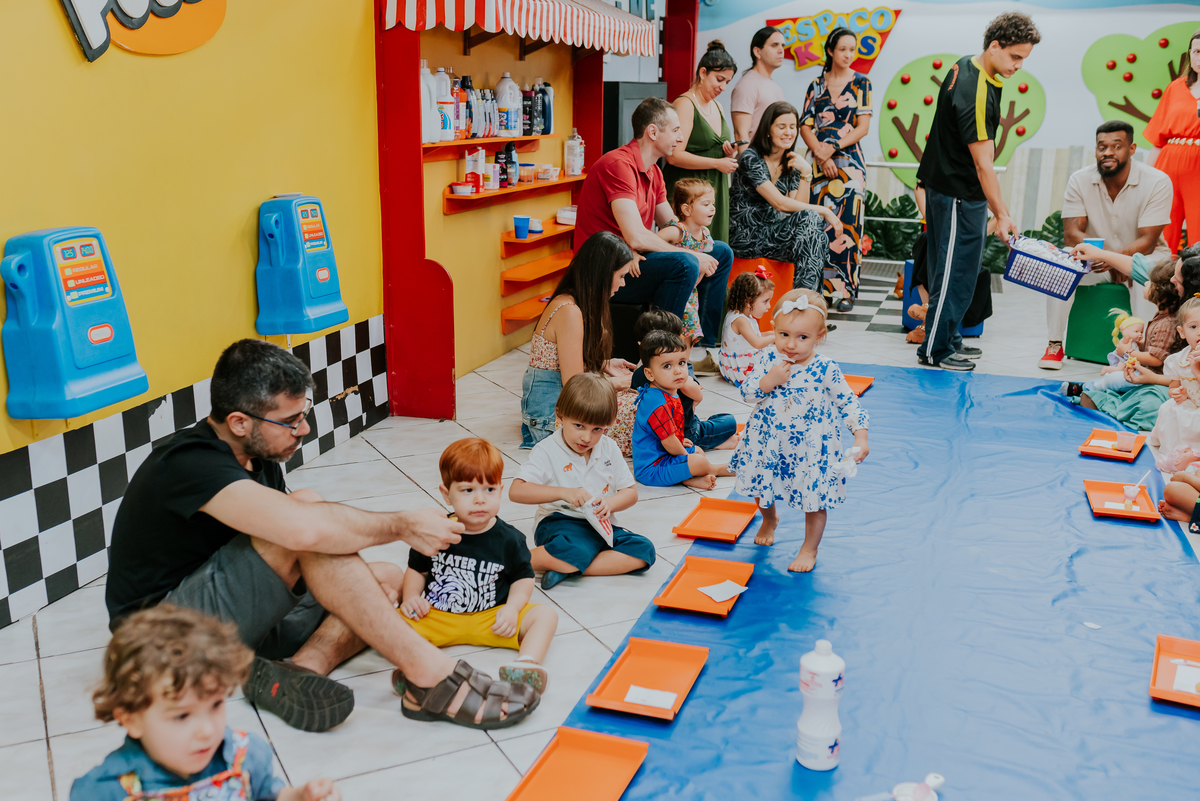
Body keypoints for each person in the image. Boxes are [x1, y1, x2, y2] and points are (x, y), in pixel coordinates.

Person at [105, 339, 538, 734]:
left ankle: (300, 668)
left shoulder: (259, 456)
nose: (304, 429)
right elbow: (301, 531)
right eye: (290, 421)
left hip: (234, 622)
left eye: (304, 415)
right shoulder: (187, 463)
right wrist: (402, 524)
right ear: (238, 422)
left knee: (385, 577)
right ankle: (431, 675)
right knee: (305, 519)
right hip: (159, 642)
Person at [71, 605, 340, 801]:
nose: (207, 730)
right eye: (181, 716)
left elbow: (269, 795)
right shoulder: (105, 791)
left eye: (215, 705)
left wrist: (300, 797)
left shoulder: (244, 758)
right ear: (131, 718)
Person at [916, 12, 1040, 372]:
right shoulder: (976, 92)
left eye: (1024, 59)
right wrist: (1002, 214)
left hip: (947, 186)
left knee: (951, 268)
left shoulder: (965, 65)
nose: (1019, 66)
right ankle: (935, 350)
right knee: (955, 273)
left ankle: (950, 339)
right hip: (957, 193)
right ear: (995, 46)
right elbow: (984, 164)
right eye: (1015, 57)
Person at [574, 98, 733, 365]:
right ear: (653, 132)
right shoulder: (618, 164)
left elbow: (674, 225)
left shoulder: (654, 172)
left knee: (721, 251)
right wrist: (691, 255)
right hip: (605, 271)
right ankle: (657, 356)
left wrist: (694, 243)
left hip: (633, 259)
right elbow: (635, 236)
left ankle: (702, 347)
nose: (681, 137)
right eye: (675, 131)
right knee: (684, 264)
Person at [399, 439, 558, 695]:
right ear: (445, 493)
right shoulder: (434, 531)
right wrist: (410, 598)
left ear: (500, 490)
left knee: (546, 616)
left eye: (489, 490)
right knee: (391, 621)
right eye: (468, 491)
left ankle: (527, 665)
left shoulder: (509, 539)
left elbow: (523, 579)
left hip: (492, 618)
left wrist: (512, 609)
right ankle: (413, 667)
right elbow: (418, 569)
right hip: (439, 616)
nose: (480, 500)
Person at [729, 289, 869, 573]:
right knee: (760, 483)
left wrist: (860, 435)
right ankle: (769, 518)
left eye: (802, 337)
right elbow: (747, 391)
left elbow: (848, 402)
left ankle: (809, 548)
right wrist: (769, 380)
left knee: (815, 499)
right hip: (768, 443)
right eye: (784, 335)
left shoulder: (825, 368)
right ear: (773, 330)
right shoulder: (768, 359)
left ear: (819, 337)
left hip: (811, 449)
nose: (791, 344)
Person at [1038, 120, 1173, 370]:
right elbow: (1071, 234)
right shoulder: (1080, 179)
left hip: (1143, 258)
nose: (1108, 152)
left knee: (1148, 276)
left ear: (1131, 149)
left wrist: (1116, 259)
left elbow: (1148, 239)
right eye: (1102, 147)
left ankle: (1141, 352)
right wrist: (1105, 258)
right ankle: (1054, 344)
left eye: (1117, 146)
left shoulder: (1157, 181)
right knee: (1063, 264)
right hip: (1096, 261)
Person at [509, 373, 656, 591]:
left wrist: (611, 504)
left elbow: (630, 493)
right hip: (560, 523)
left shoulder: (609, 448)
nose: (587, 437)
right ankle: (513, 563)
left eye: (597, 429)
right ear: (560, 415)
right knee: (573, 546)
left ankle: (569, 567)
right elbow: (516, 491)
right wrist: (563, 493)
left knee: (644, 551)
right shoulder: (547, 450)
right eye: (579, 426)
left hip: (600, 526)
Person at [520, 231, 636, 448]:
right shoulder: (569, 311)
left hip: (565, 412)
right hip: (551, 420)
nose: (622, 284)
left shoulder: (576, 303)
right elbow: (575, 386)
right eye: (621, 276)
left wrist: (604, 364)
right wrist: (621, 382)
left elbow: (562, 363)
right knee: (647, 414)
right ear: (602, 274)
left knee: (654, 406)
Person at [729, 101, 842, 296]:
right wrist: (823, 210)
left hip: (773, 235)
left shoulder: (791, 161)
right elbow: (780, 204)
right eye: (781, 127)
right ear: (768, 129)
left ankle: (801, 305)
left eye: (792, 127)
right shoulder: (750, 158)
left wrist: (806, 173)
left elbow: (800, 206)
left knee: (816, 237)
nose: (788, 132)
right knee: (815, 232)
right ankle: (805, 307)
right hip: (747, 237)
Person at [800, 27, 873, 311]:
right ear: (830, 51)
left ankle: (846, 291)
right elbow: (805, 125)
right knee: (818, 225)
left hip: (850, 165)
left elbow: (862, 128)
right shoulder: (815, 85)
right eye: (842, 49)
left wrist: (833, 147)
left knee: (848, 226)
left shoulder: (862, 83)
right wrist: (820, 153)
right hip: (817, 165)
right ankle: (819, 290)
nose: (848, 55)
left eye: (852, 50)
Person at [1062, 262, 1179, 408]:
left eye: (1152, 283)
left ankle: (1085, 389)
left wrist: (1129, 352)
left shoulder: (1166, 324)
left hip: (1150, 375)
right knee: (1114, 374)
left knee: (1113, 379)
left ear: (1163, 296)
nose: (1147, 283)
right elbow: (1155, 347)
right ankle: (1092, 390)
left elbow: (1156, 359)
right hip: (1144, 369)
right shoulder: (1161, 318)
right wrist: (1139, 343)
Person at [632, 330, 735, 490]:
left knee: (698, 451)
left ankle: (688, 479)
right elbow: (668, 442)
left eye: (681, 363)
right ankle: (717, 469)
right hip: (652, 469)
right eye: (667, 366)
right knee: (697, 460)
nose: (678, 370)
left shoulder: (666, 392)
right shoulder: (658, 404)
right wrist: (683, 452)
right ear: (649, 374)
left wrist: (680, 443)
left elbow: (668, 434)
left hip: (664, 457)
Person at [663, 41, 740, 244]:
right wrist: (716, 163)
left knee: (716, 247)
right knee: (690, 248)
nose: (723, 87)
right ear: (703, 73)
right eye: (719, 79)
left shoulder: (718, 106)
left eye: (727, 82)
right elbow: (673, 156)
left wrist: (727, 154)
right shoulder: (685, 104)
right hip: (690, 191)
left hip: (715, 188)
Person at [631, 309, 739, 450]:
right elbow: (691, 389)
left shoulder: (640, 372)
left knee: (710, 420)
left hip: (654, 435)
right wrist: (697, 398)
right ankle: (713, 443)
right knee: (729, 421)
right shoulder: (682, 367)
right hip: (686, 433)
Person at [1144, 28, 1200, 255]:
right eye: (1197, 51)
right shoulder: (1175, 87)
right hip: (1168, 163)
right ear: (1190, 54)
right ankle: (1160, 287)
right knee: (1163, 227)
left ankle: (1195, 288)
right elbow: (1158, 137)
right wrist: (1144, 178)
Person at [658, 178, 718, 343]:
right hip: (677, 287)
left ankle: (684, 363)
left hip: (692, 290)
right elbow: (653, 242)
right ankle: (681, 362)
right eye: (706, 204)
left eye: (713, 204)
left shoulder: (705, 233)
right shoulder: (678, 231)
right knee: (683, 331)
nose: (712, 208)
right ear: (687, 209)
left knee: (690, 333)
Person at [1147, 296, 1200, 453]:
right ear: (1181, 332)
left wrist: (1197, 371)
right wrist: (1177, 393)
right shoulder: (1178, 360)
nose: (1199, 332)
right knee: (1169, 408)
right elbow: (1173, 388)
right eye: (1193, 327)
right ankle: (1178, 450)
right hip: (1190, 404)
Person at [1061, 312, 1144, 397]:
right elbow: (1128, 349)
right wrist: (1124, 332)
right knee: (1117, 372)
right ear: (1125, 331)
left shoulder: (1134, 342)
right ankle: (1092, 383)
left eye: (1141, 332)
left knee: (1116, 379)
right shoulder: (1128, 341)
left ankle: (1089, 388)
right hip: (1124, 361)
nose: (1140, 334)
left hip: (1132, 366)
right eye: (1136, 331)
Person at [730, 26, 787, 150]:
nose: (781, 50)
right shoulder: (747, 85)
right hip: (755, 163)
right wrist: (751, 167)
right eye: (774, 45)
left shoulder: (775, 87)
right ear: (757, 52)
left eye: (782, 45)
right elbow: (741, 135)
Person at [718, 268, 777, 386]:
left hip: (736, 367)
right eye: (765, 301)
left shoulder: (738, 314)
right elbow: (757, 343)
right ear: (748, 301)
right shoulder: (740, 320)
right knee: (778, 353)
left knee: (773, 344)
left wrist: (772, 334)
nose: (769, 306)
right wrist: (776, 337)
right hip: (742, 370)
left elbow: (755, 336)